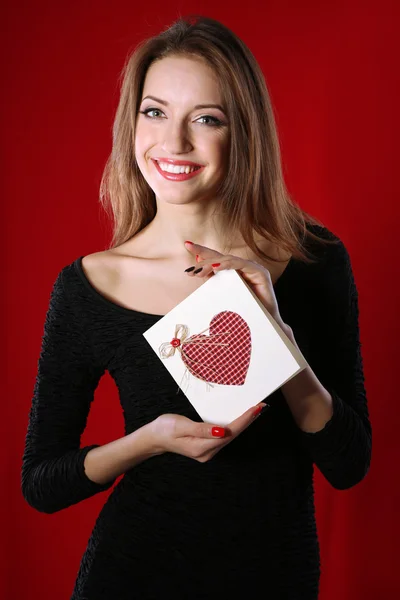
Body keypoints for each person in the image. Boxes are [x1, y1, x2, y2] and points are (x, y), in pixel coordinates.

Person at [21, 14, 372, 600]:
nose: (174, 143)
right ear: (130, 124)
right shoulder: (89, 285)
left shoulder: (313, 262)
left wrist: (282, 344)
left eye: (205, 119)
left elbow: (349, 464)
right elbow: (41, 484)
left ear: (244, 133)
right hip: (132, 573)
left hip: (274, 575)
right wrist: (149, 441)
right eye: (154, 112)